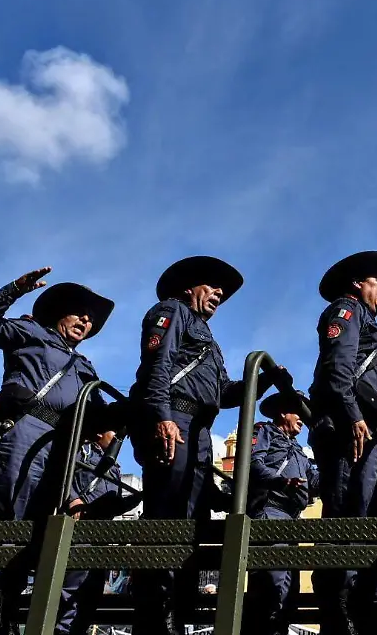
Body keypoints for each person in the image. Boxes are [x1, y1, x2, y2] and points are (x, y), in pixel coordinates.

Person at [129, 255, 285, 634]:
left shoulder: (209, 341)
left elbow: (226, 393)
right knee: (167, 519)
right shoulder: (172, 311)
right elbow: (157, 367)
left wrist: (264, 381)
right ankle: (156, 618)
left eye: (222, 291)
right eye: (212, 286)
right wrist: (161, 417)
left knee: (194, 522)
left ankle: (179, 611)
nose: (219, 294)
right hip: (174, 421)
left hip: (199, 429)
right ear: (189, 287)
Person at [0, 268, 114, 634]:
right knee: (8, 526)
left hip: (62, 444)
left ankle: (7, 615)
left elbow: (97, 415)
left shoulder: (85, 366)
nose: (86, 321)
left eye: (91, 319)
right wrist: (15, 289)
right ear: (59, 313)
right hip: (24, 430)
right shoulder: (32, 333)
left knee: (39, 535)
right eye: (79, 313)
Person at [308, 251, 377, 635]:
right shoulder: (346, 311)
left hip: (368, 434)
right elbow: (337, 370)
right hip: (347, 432)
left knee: (359, 521)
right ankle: (337, 614)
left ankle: (354, 610)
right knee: (343, 522)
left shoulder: (369, 323)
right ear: (357, 283)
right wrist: (353, 417)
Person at [241, 390, 318, 635]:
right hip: (270, 511)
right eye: (298, 411)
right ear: (283, 412)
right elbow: (252, 463)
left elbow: (314, 480)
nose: (302, 418)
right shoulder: (264, 431)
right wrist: (280, 481)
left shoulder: (299, 449)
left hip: (292, 520)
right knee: (271, 584)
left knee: (288, 589)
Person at [57, 428, 137, 635]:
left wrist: (135, 499)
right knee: (71, 588)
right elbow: (61, 474)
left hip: (101, 536)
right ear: (100, 433)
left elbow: (113, 504)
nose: (118, 439)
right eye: (114, 432)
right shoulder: (82, 452)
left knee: (91, 592)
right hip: (80, 531)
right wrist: (72, 498)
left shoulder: (114, 466)